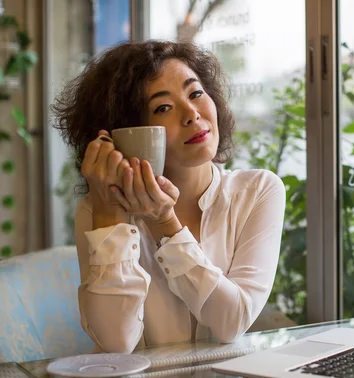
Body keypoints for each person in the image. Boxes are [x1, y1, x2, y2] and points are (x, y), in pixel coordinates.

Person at [52, 40, 286, 354]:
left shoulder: (257, 191)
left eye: (196, 93)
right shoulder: (96, 210)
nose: (191, 114)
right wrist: (110, 215)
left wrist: (166, 223)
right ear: (127, 133)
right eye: (163, 107)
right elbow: (116, 343)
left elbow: (233, 322)